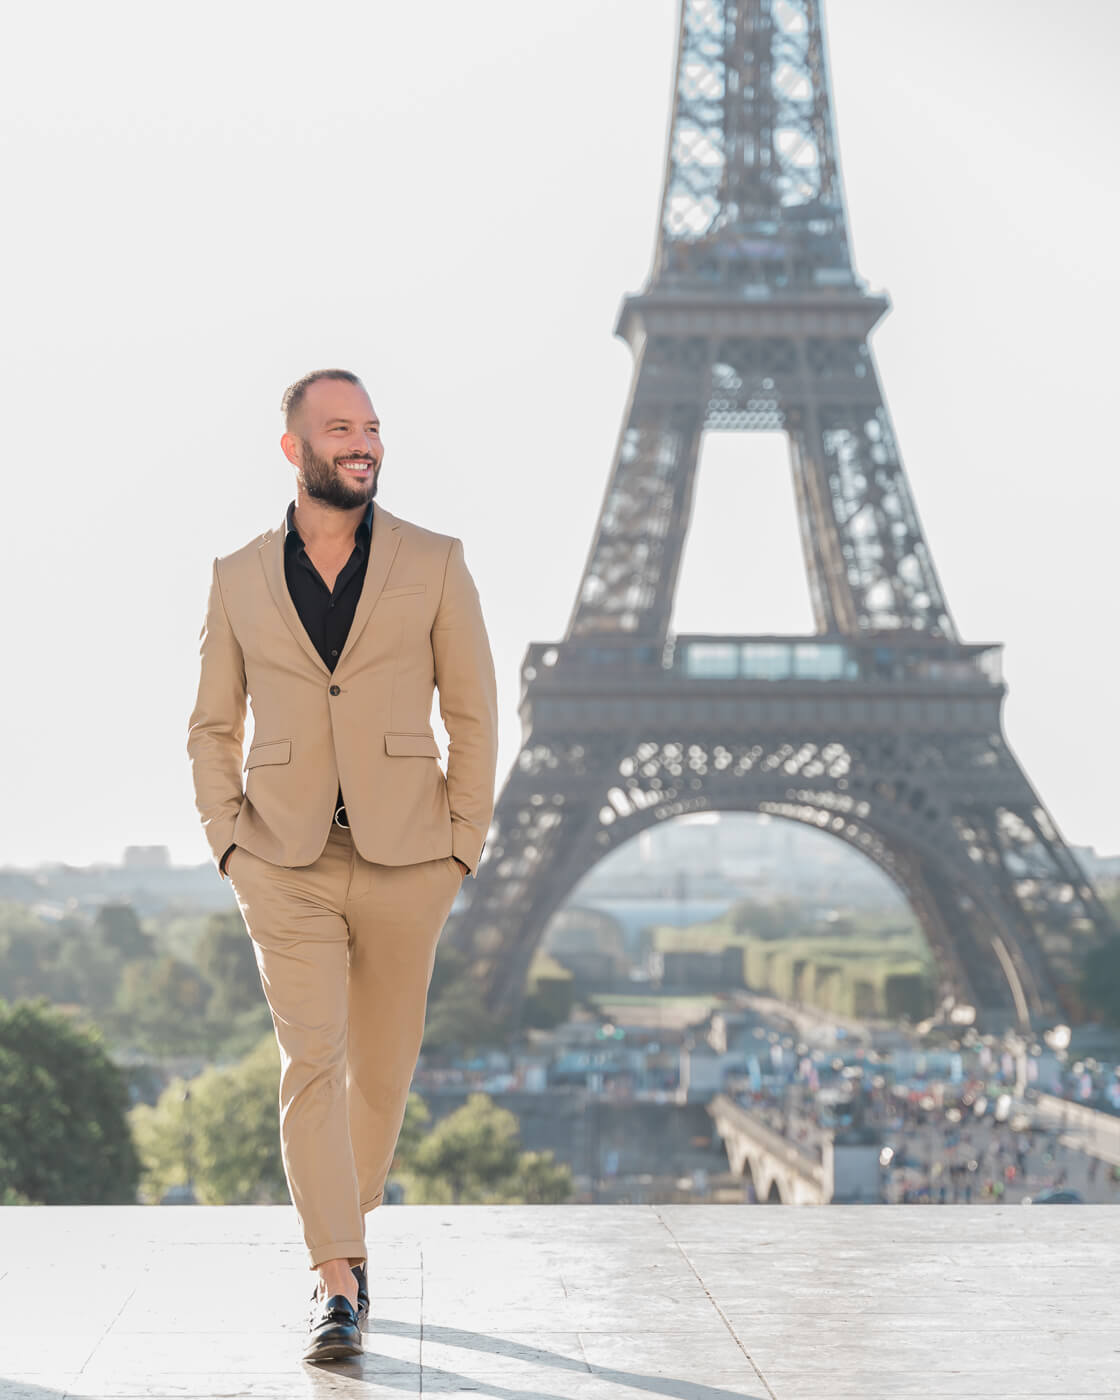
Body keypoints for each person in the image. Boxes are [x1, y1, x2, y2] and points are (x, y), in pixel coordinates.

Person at [187, 368, 498, 1363]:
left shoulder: (436, 560)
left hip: (410, 854)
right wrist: (227, 839)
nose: (362, 441)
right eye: (339, 428)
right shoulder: (236, 574)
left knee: (382, 1071)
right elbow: (210, 722)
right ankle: (336, 1277)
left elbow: (475, 711)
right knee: (310, 1060)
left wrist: (462, 845)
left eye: (371, 426)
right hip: (283, 856)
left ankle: (342, 1227)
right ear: (294, 447)